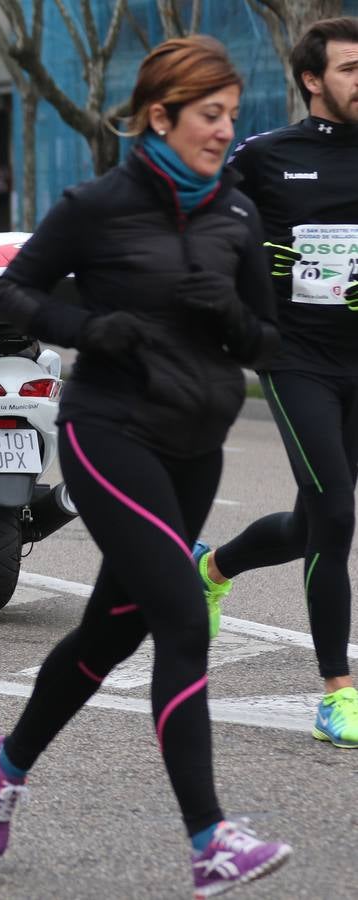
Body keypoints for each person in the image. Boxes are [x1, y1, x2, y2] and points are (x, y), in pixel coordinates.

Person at [0, 37, 292, 895]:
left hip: (196, 447)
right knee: (184, 617)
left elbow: (268, 340)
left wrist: (232, 315)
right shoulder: (98, 203)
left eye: (232, 115)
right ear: (162, 116)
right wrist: (88, 329)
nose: (226, 130)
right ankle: (210, 840)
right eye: (210, 115)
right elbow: (14, 290)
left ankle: (5, 761)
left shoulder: (236, 212)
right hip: (109, 432)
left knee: (114, 631)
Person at [193, 17, 358, 752]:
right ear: (314, 81)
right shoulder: (265, 157)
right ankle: (337, 690)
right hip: (297, 361)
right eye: (353, 70)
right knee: (335, 510)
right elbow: (205, 226)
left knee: (308, 524)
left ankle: (214, 567)